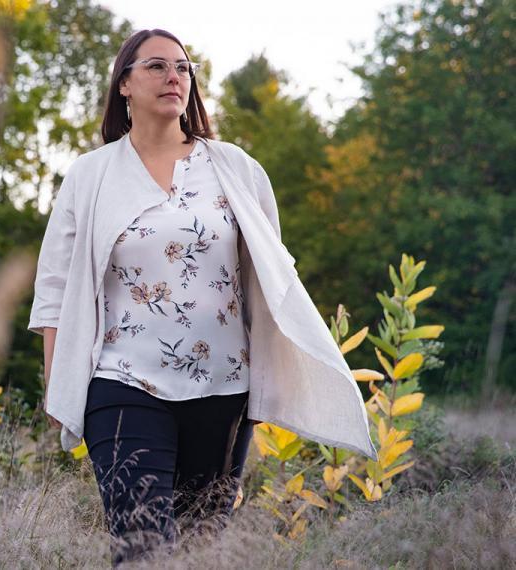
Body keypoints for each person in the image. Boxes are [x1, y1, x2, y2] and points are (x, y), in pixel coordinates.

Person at [28, 28, 376, 567]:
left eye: (183, 68)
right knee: (141, 548)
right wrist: (58, 382)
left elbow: (269, 277)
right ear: (124, 83)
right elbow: (53, 287)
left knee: (200, 549)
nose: (175, 77)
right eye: (157, 67)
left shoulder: (234, 168)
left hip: (223, 388)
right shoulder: (89, 176)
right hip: (123, 381)